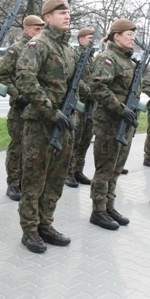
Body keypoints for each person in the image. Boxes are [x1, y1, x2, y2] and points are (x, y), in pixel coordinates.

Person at [14, 0, 76, 252]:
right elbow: (25, 79)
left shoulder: (68, 49)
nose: (67, 16)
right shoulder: (38, 44)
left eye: (68, 13)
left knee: (56, 176)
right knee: (35, 178)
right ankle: (30, 229)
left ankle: (45, 223)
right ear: (48, 17)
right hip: (41, 121)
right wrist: (51, 111)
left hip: (63, 122)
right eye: (62, 13)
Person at [88, 19, 138, 230]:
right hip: (110, 122)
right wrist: (120, 109)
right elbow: (98, 88)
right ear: (116, 36)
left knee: (116, 168)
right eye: (129, 35)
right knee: (105, 168)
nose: (133, 38)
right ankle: (98, 210)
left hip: (124, 123)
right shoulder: (108, 58)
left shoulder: (129, 61)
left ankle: (109, 205)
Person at [0, 14, 45, 201]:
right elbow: (2, 77)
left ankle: (27, 182)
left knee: (33, 148)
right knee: (17, 146)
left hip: (38, 107)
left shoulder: (42, 49)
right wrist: (18, 95)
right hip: (20, 108)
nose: (40, 32)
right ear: (26, 30)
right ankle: (13, 184)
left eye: (42, 29)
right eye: (36, 29)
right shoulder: (15, 50)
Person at [65, 27, 95, 188]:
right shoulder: (77, 56)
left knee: (85, 139)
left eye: (93, 38)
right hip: (79, 103)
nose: (92, 41)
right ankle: (68, 172)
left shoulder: (92, 57)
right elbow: (76, 78)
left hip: (90, 104)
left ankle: (78, 170)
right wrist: (89, 92)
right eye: (89, 38)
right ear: (81, 39)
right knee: (75, 140)